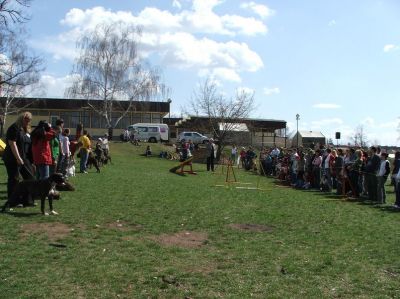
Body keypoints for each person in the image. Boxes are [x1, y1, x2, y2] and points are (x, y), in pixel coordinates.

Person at [2, 112, 35, 199]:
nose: (28, 122)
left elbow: (28, 146)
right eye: (26, 119)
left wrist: (31, 162)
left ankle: (27, 200)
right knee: (14, 179)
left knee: (30, 177)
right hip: (12, 158)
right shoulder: (14, 128)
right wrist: (18, 158)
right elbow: (12, 144)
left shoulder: (26, 130)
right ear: (21, 119)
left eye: (29, 120)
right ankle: (13, 201)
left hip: (24, 158)